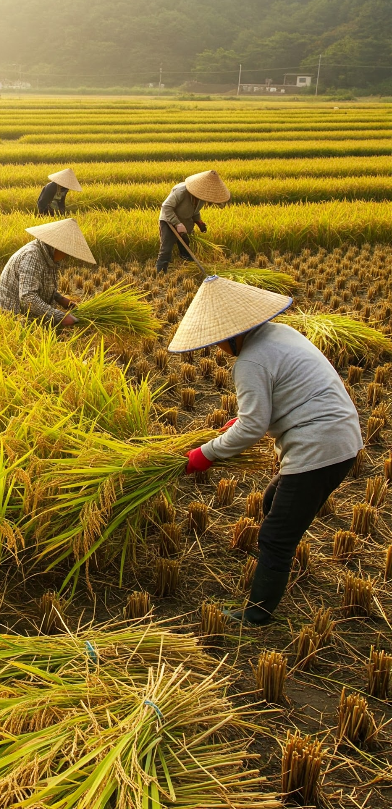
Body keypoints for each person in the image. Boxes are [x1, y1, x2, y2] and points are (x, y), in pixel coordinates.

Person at [172, 275, 363, 625]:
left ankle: (258, 614)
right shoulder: (281, 334)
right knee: (274, 501)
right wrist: (237, 424)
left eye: (218, 343)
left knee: (275, 537)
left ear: (232, 335)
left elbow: (253, 427)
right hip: (341, 437)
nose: (218, 350)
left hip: (319, 448)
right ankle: (279, 567)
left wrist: (205, 455)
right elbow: (276, 400)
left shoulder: (250, 361)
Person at [0, 218, 96, 328]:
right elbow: (28, 297)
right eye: (66, 252)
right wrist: (60, 317)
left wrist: (61, 300)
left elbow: (42, 286)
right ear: (56, 247)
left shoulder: (47, 256)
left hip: (27, 315)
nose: (66, 256)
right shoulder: (32, 257)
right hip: (11, 319)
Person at [157, 170, 230, 273]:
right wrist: (177, 223)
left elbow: (194, 211)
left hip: (185, 221)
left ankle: (188, 267)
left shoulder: (202, 197)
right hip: (168, 220)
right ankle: (160, 272)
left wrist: (198, 221)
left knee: (186, 245)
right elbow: (166, 207)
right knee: (166, 248)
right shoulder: (181, 191)